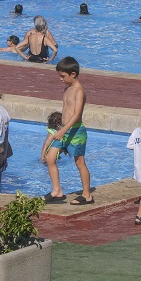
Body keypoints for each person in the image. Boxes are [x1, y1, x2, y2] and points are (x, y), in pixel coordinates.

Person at [46, 57, 93, 205]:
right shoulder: (67, 89)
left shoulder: (79, 91)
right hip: (63, 130)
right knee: (50, 158)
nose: (61, 79)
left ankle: (87, 195)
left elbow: (76, 114)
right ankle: (57, 191)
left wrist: (63, 130)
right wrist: (60, 128)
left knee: (79, 163)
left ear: (73, 74)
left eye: (63, 76)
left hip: (76, 131)